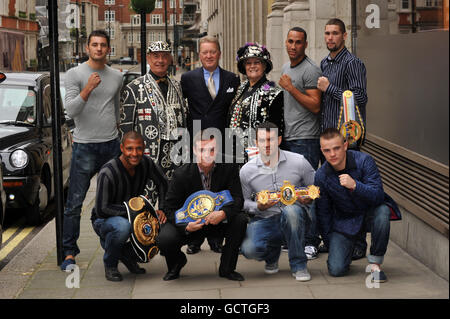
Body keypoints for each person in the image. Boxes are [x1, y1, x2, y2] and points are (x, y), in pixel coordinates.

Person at [61, 30, 123, 271]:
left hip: (111, 145)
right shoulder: (74, 74)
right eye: (94, 45)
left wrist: (118, 131)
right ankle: (69, 252)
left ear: (108, 49)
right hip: (84, 146)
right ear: (87, 48)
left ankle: (114, 246)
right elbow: (71, 111)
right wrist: (87, 88)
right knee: (74, 203)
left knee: (113, 201)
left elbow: (116, 108)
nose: (99, 49)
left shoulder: (117, 76)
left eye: (103, 45)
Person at [156, 131, 247, 281]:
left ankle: (227, 269)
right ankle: (177, 263)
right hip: (192, 224)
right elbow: (170, 209)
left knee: (240, 220)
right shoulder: (181, 174)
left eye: (211, 150)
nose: (207, 154)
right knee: (164, 238)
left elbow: (238, 199)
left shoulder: (228, 168)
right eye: (202, 150)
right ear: (194, 150)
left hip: (217, 221)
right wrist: (185, 226)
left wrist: (223, 214)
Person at [180, 35, 240, 255]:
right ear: (199, 55)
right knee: (196, 188)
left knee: (218, 189)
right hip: (197, 142)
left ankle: (216, 238)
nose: (208, 56)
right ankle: (194, 239)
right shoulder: (187, 78)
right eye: (204, 52)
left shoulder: (232, 79)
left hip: (221, 142)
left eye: (212, 51)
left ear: (219, 54)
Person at [317, 18, 369, 260]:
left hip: (348, 141)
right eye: (327, 33)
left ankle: (359, 243)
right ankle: (335, 238)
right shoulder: (324, 63)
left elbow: (360, 97)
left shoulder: (352, 63)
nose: (330, 38)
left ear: (344, 36)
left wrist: (330, 89)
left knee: (352, 194)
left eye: (335, 33)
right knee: (332, 194)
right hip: (327, 141)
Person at [240, 122, 315, 281]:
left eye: (270, 139)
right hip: (265, 218)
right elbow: (243, 202)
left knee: (291, 211)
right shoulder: (247, 170)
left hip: (296, 218)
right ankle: (272, 255)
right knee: (249, 249)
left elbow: (314, 187)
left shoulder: (299, 161)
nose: (266, 145)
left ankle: (299, 265)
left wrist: (310, 198)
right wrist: (257, 206)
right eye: (262, 140)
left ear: (279, 140)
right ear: (255, 142)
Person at [315, 128, 390, 283]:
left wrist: (355, 185)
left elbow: (378, 195)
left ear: (345, 145)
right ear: (322, 151)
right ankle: (350, 248)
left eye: (336, 148)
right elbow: (324, 213)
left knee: (382, 211)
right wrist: (332, 245)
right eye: (327, 150)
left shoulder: (364, 161)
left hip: (368, 212)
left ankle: (375, 264)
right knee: (336, 270)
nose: (332, 154)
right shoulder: (321, 175)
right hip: (345, 220)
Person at [91, 131, 168, 282]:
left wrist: (162, 209)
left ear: (144, 147)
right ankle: (111, 264)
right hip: (105, 220)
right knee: (122, 227)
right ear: (122, 148)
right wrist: (136, 213)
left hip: (132, 216)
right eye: (129, 148)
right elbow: (102, 209)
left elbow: (163, 183)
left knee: (160, 225)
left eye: (138, 148)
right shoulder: (108, 172)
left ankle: (125, 254)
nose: (134, 153)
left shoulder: (146, 163)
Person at [120, 41, 188, 185]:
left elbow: (184, 120)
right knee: (146, 201)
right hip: (147, 157)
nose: (160, 61)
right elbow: (126, 129)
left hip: (175, 157)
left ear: (170, 59)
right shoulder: (134, 88)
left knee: (172, 200)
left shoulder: (177, 86)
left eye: (164, 56)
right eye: (156, 56)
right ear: (148, 58)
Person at [227, 42, 284, 165]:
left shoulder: (273, 92)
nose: (252, 66)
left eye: (256, 62)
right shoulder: (241, 88)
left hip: (259, 155)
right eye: (248, 63)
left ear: (264, 66)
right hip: (235, 154)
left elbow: (276, 128)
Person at [279, 27, 322, 171]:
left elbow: (316, 105)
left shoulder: (311, 69)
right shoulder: (286, 67)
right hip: (288, 137)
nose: (293, 46)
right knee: (290, 187)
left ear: (305, 45)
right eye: (290, 41)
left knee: (305, 189)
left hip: (306, 139)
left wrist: (291, 88)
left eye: (298, 42)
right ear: (285, 42)